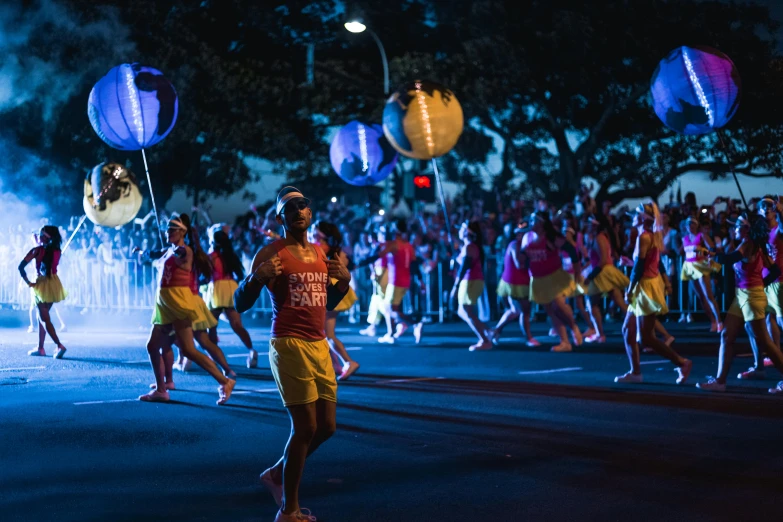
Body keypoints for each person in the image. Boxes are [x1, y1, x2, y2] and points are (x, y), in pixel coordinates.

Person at [234, 186, 350, 522]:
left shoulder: (319, 253)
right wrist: (256, 278)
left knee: (327, 427)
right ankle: (289, 510)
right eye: (291, 206)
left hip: (318, 345)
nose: (299, 210)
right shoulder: (271, 253)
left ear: (310, 214)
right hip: (288, 344)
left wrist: (342, 284)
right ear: (280, 217)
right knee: (305, 428)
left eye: (304, 205)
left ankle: (275, 474)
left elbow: (324, 303)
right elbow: (241, 301)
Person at [138, 214, 235, 405]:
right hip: (164, 304)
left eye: (172, 229)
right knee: (152, 346)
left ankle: (225, 381)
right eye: (167, 229)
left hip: (178, 303)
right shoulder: (169, 251)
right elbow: (157, 255)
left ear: (182, 232)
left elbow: (182, 252)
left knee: (189, 350)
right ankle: (161, 389)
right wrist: (142, 252)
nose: (168, 232)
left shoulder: (185, 251)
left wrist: (178, 249)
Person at [697, 213, 783, 393]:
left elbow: (730, 259)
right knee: (726, 335)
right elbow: (774, 271)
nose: (733, 228)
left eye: (737, 225)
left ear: (746, 229)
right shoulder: (755, 245)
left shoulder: (748, 244)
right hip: (742, 296)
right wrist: (761, 283)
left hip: (752, 298)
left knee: (766, 342)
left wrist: (712, 254)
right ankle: (720, 381)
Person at [615, 202, 692, 385]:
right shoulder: (651, 236)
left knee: (647, 337)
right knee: (628, 330)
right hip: (647, 284)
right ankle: (635, 372)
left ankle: (682, 363)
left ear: (643, 218)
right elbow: (650, 263)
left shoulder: (645, 237)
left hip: (645, 287)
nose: (633, 217)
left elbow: (641, 267)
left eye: (636, 214)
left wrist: (630, 289)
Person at [522, 212, 583, 352]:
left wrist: (577, 273)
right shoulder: (527, 237)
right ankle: (565, 342)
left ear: (542, 223)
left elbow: (572, 252)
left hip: (554, 276)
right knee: (550, 311)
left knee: (558, 304)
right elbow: (523, 258)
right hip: (537, 279)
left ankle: (573, 327)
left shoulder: (551, 237)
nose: (531, 223)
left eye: (534, 220)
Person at [356, 219, 423, 344]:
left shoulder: (394, 244)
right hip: (406, 280)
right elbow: (414, 264)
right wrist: (420, 280)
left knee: (389, 309)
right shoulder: (408, 245)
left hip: (395, 280)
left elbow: (377, 256)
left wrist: (359, 264)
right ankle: (391, 333)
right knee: (393, 308)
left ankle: (414, 324)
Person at [738, 196, 783, 379]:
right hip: (762, 283)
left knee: (779, 321)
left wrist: (781, 211)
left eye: (770, 205)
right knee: (756, 324)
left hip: (779, 282)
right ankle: (761, 365)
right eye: (762, 206)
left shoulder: (778, 229)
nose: (766, 208)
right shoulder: (760, 231)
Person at [310, 220, 361, 380]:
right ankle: (337, 365)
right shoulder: (333, 249)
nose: (311, 231)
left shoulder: (322, 249)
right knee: (325, 333)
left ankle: (348, 362)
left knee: (327, 334)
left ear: (321, 233)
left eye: (314, 229)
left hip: (330, 292)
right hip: (332, 291)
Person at [205, 225, 258, 369]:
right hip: (230, 288)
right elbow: (240, 275)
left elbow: (205, 275)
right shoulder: (230, 255)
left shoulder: (211, 256)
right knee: (237, 325)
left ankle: (213, 355)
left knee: (212, 326)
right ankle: (252, 350)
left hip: (216, 289)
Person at [19, 225, 68, 359]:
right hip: (54, 284)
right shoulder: (57, 250)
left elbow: (21, 267)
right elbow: (45, 253)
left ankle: (59, 345)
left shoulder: (37, 250)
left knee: (43, 318)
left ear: (45, 238)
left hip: (40, 285)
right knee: (42, 317)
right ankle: (41, 348)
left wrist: (28, 283)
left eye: (41, 235)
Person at [488, 221, 539, 347]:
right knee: (522, 311)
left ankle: (496, 331)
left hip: (520, 281)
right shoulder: (515, 245)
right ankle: (529, 338)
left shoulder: (523, 246)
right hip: (514, 282)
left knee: (515, 310)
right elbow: (519, 264)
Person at [583, 214, 629, 343]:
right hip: (603, 272)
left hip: (602, 273)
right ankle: (636, 329)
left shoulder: (600, 238)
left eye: (590, 223)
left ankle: (600, 334)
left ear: (595, 224)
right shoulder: (599, 237)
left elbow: (603, 260)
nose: (588, 225)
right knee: (620, 303)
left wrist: (591, 276)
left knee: (591, 304)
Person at [450, 220, 491, 351]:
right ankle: (488, 331)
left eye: (462, 229)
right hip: (469, 280)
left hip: (471, 280)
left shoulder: (470, 247)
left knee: (465, 311)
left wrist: (455, 287)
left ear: (468, 232)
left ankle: (485, 340)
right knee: (463, 311)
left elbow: (464, 267)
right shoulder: (467, 247)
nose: (459, 231)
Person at [680, 216, 722, 331]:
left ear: (696, 225)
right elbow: (683, 252)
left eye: (692, 223)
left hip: (701, 266)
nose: (690, 226)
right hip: (690, 267)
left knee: (708, 295)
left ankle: (719, 321)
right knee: (700, 297)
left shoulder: (702, 236)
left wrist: (704, 253)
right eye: (688, 224)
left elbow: (712, 250)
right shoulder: (685, 239)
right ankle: (712, 320)